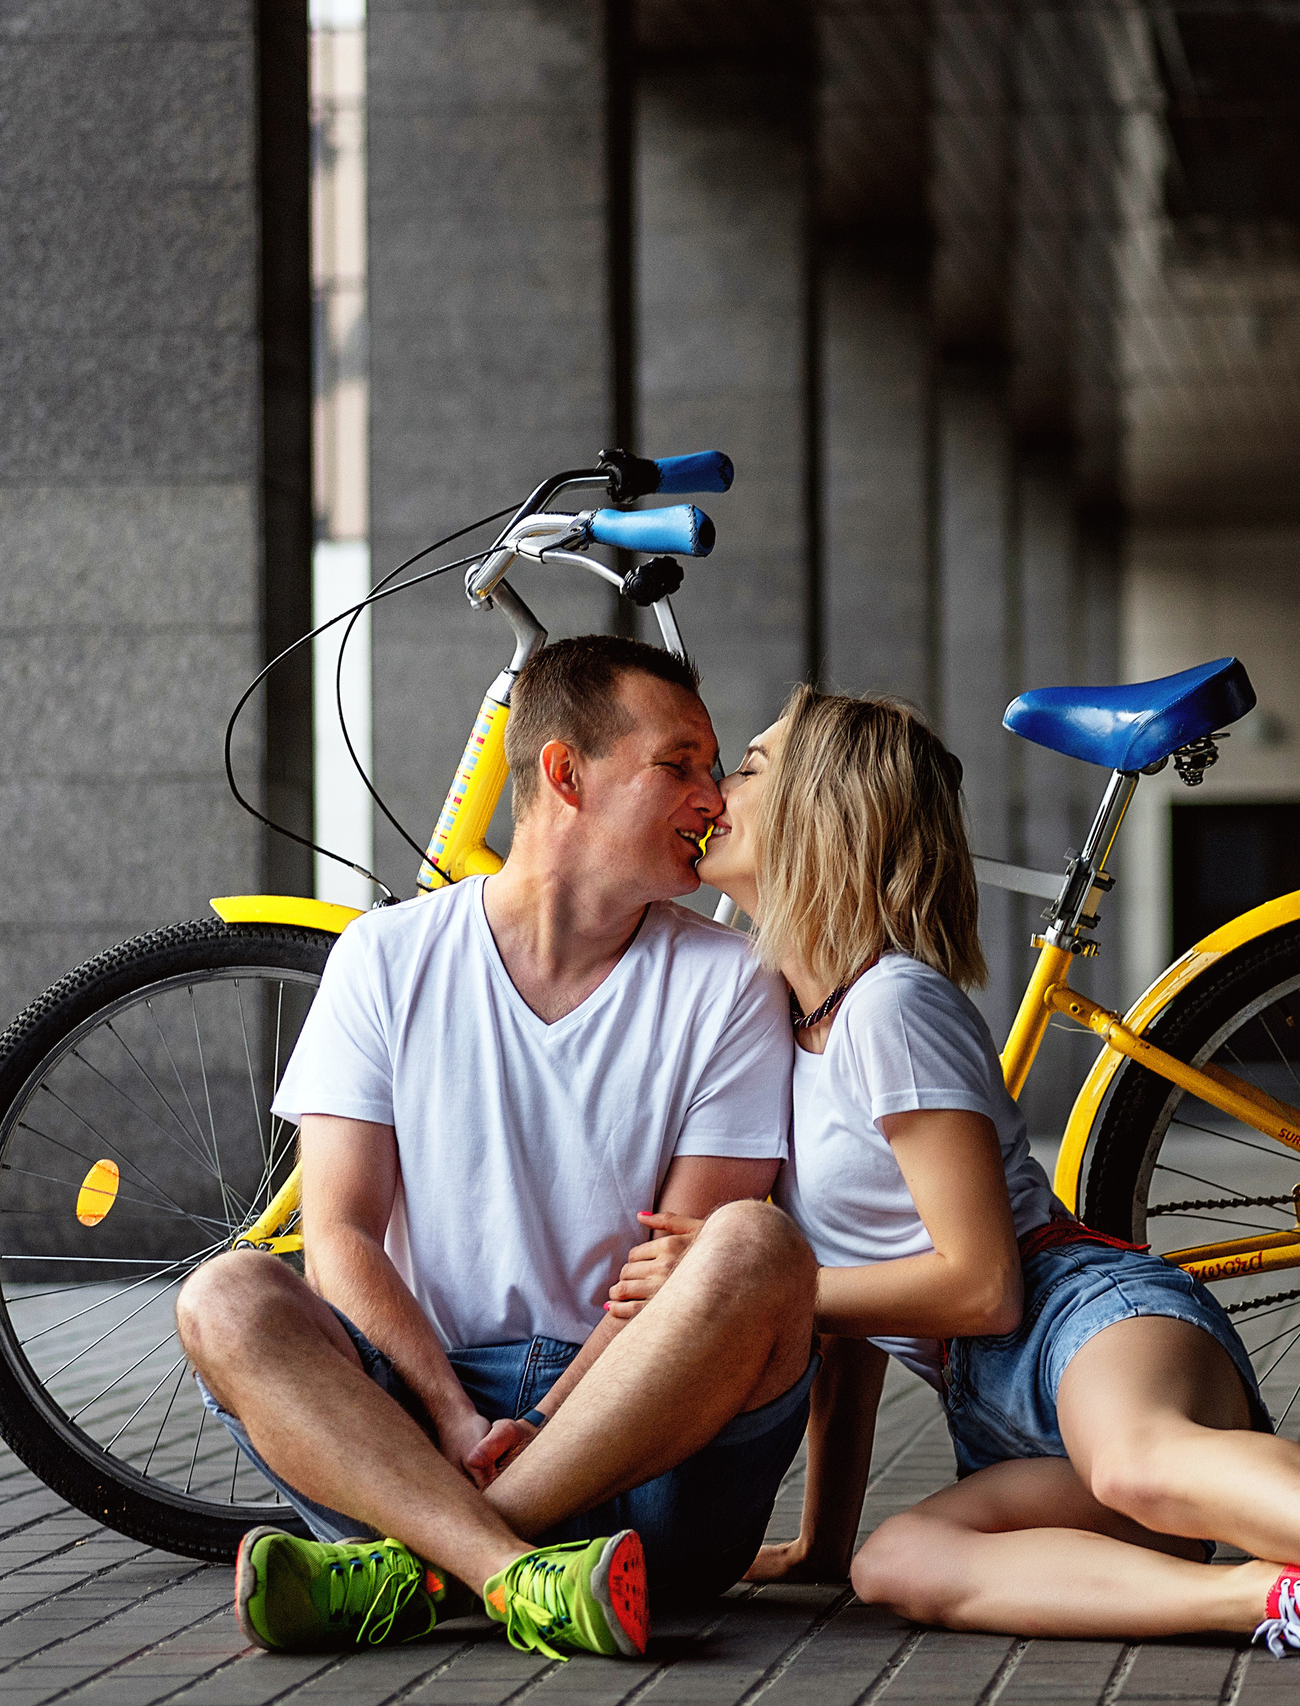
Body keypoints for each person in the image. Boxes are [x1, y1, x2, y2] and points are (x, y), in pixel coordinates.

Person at [622, 684, 1300, 1686]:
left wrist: (768, 1287)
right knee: (892, 1562)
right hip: (994, 1406)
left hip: (1083, 1317)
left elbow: (982, 1283)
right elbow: (847, 1332)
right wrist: (821, 1541)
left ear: (825, 810)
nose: (721, 785)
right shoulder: (788, 1026)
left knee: (1134, 1459)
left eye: (751, 765)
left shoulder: (889, 1002)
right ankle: (1285, 1596)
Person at [175, 636, 818, 1662]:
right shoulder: (385, 957)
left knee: (750, 1244)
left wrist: (549, 1422)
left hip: (641, 1444)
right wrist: (447, 1410)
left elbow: (686, 1257)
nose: (714, 797)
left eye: (714, 768)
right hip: (421, 1430)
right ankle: (514, 1575)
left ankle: (425, 1568)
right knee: (226, 1293)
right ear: (565, 772)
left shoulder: (730, 981)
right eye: (679, 763)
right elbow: (338, 1231)